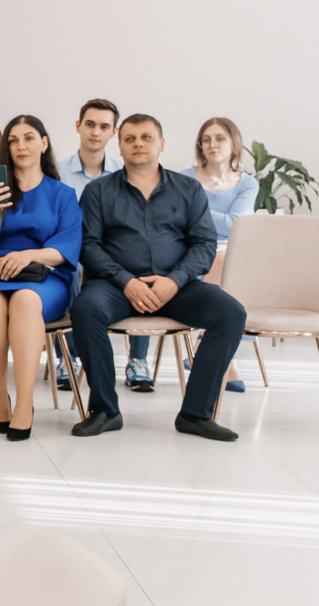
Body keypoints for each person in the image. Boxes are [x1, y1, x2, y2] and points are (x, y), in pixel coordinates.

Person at [71, 116, 246, 440]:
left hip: (176, 287)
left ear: (161, 143)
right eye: (130, 138)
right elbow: (88, 245)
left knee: (231, 312)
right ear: (120, 146)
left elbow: (204, 244)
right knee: (85, 309)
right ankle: (105, 410)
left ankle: (195, 414)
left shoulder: (188, 189)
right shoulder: (98, 191)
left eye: (147, 137)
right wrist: (127, 281)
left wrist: (175, 280)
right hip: (115, 287)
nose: (138, 143)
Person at [0, 115, 82, 441]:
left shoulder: (63, 194)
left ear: (44, 143)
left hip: (43, 277)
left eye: (28, 138)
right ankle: (0, 397)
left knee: (26, 301)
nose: (20, 146)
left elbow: (66, 249)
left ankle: (25, 403)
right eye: (13, 140)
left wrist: (27, 255)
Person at [60, 99, 149, 389]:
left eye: (104, 126)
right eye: (90, 124)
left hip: (115, 252)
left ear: (114, 132)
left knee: (143, 267)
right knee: (69, 270)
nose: (95, 132)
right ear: (78, 126)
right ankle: (68, 357)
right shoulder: (57, 173)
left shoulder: (129, 171)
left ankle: (138, 360)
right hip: (72, 247)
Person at [182, 116, 259, 391]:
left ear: (234, 144)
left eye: (220, 138)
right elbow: (179, 221)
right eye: (206, 139)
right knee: (219, 259)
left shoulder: (247, 183)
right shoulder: (184, 178)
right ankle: (223, 358)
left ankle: (206, 344)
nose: (212, 144)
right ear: (200, 146)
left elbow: (234, 224)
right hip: (192, 248)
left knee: (230, 260)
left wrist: (196, 211)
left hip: (234, 249)